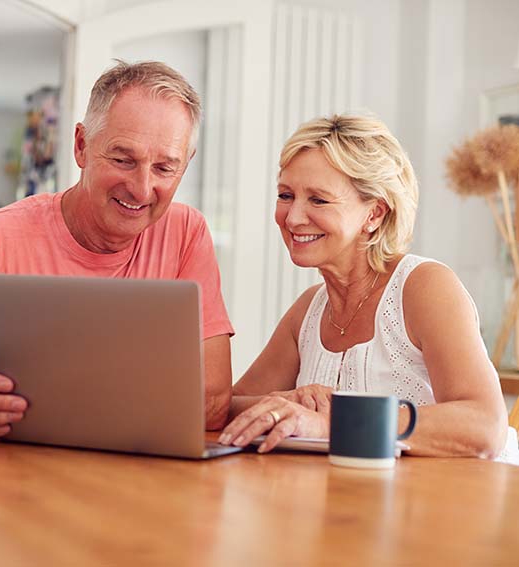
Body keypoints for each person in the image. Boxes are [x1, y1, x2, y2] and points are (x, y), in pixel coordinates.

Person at [0, 61, 235, 440]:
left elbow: (213, 403)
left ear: (185, 165)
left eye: (165, 169)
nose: (141, 188)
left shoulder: (186, 233)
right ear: (81, 146)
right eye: (123, 160)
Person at [217, 114, 518, 463]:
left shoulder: (424, 287)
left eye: (318, 200)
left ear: (374, 214)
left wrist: (333, 420)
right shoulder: (309, 310)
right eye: (286, 195)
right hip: (362, 504)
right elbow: (225, 406)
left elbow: (485, 427)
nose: (293, 217)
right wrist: (290, 403)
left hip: (462, 506)